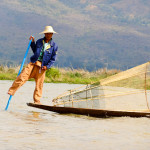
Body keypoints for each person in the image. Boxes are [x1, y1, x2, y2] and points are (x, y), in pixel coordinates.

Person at [8, 26, 58, 104]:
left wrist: (47, 66)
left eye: (50, 33)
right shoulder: (39, 41)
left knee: (39, 85)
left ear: (52, 34)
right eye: (47, 33)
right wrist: (32, 42)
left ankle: (37, 101)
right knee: (22, 77)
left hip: (42, 67)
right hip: (33, 63)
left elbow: (53, 59)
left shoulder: (54, 46)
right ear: (44, 34)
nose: (48, 35)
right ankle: (11, 91)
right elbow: (35, 50)